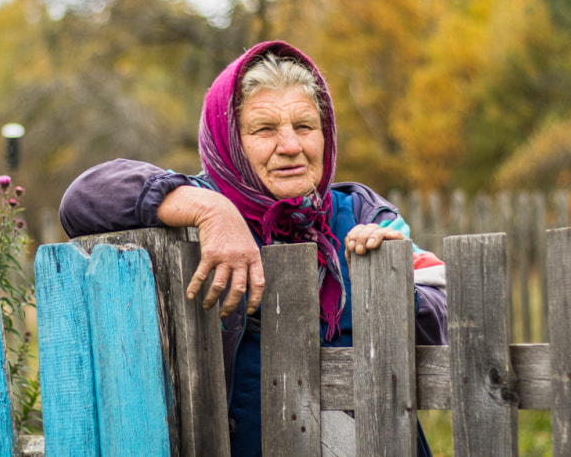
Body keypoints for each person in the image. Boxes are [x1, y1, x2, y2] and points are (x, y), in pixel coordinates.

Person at [59, 41, 447, 456]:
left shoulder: (362, 211)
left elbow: (444, 312)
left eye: (304, 126)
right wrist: (211, 210)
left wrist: (393, 283)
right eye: (264, 129)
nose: (291, 145)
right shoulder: (195, 200)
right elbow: (82, 200)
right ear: (229, 141)